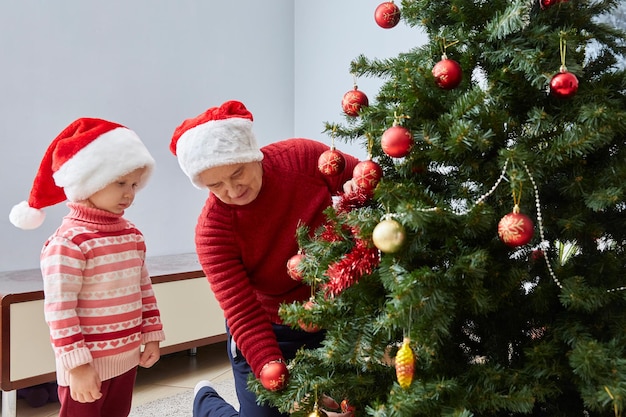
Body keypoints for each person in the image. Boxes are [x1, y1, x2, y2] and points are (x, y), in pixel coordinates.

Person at [169, 100, 359, 417]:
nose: (232, 189)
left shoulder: (302, 157)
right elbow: (243, 312)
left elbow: (362, 175)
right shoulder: (213, 232)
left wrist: (358, 189)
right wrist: (271, 368)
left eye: (238, 172)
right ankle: (206, 402)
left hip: (337, 313)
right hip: (270, 327)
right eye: (216, 184)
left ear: (252, 155)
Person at [9, 117, 165, 417]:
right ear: (89, 180)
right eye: (120, 183)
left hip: (127, 356)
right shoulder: (68, 242)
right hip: (86, 364)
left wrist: (152, 334)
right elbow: (60, 311)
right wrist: (78, 366)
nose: (130, 193)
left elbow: (143, 289)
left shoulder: (131, 235)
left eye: (134, 184)